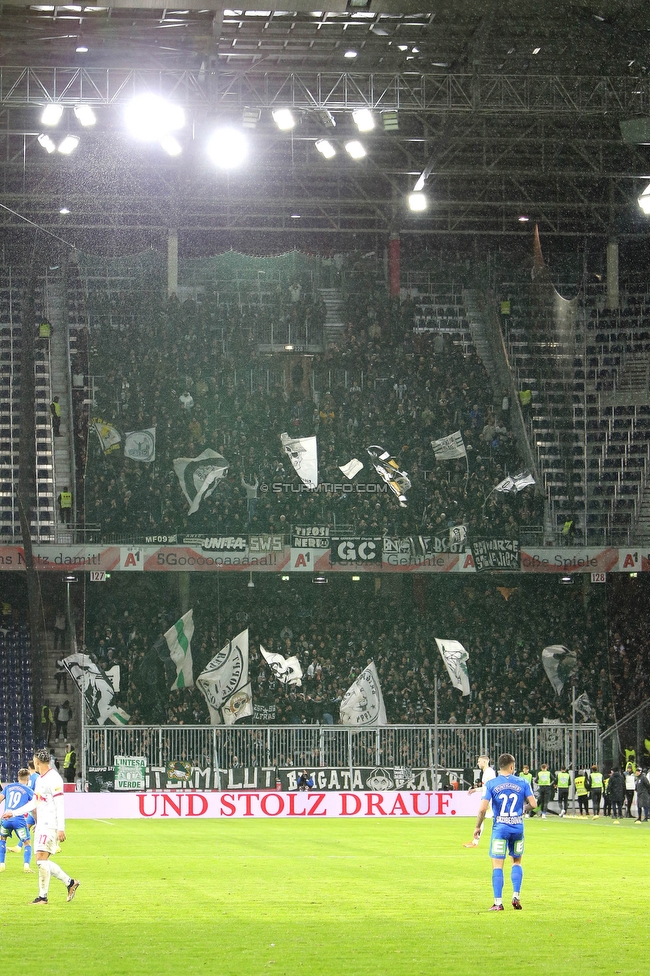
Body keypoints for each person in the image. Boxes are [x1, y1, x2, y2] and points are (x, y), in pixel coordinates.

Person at [2, 748, 80, 905]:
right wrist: (14, 812)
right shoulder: (39, 780)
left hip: (50, 824)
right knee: (41, 861)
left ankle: (43, 897)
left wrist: (61, 828)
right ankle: (69, 883)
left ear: (37, 762)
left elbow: (60, 803)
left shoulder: (54, 779)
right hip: (41, 824)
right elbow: (35, 802)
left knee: (40, 860)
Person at [473, 753, 537, 911]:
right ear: (512, 766)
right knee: (516, 862)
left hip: (500, 828)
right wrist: (524, 808)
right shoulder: (522, 782)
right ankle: (516, 896)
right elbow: (533, 804)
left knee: (497, 866)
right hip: (517, 828)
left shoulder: (491, 784)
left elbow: (482, 809)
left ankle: (498, 902)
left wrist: (478, 827)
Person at [0, 769, 34, 873]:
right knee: (27, 843)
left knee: (2, 840)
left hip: (6, 819)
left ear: (18, 778)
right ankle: (26, 866)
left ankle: (1, 865)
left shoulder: (8, 787)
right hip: (19, 820)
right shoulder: (28, 790)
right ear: (28, 778)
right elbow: (35, 804)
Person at [464, 755, 496, 847]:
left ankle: (475, 842)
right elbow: (486, 787)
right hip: (487, 799)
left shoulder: (489, 772)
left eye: (479, 761)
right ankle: (475, 841)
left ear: (485, 762)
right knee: (482, 819)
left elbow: (492, 787)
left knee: (481, 818)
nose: (478, 763)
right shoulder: (486, 772)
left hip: (488, 799)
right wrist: (476, 790)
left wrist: (489, 799)